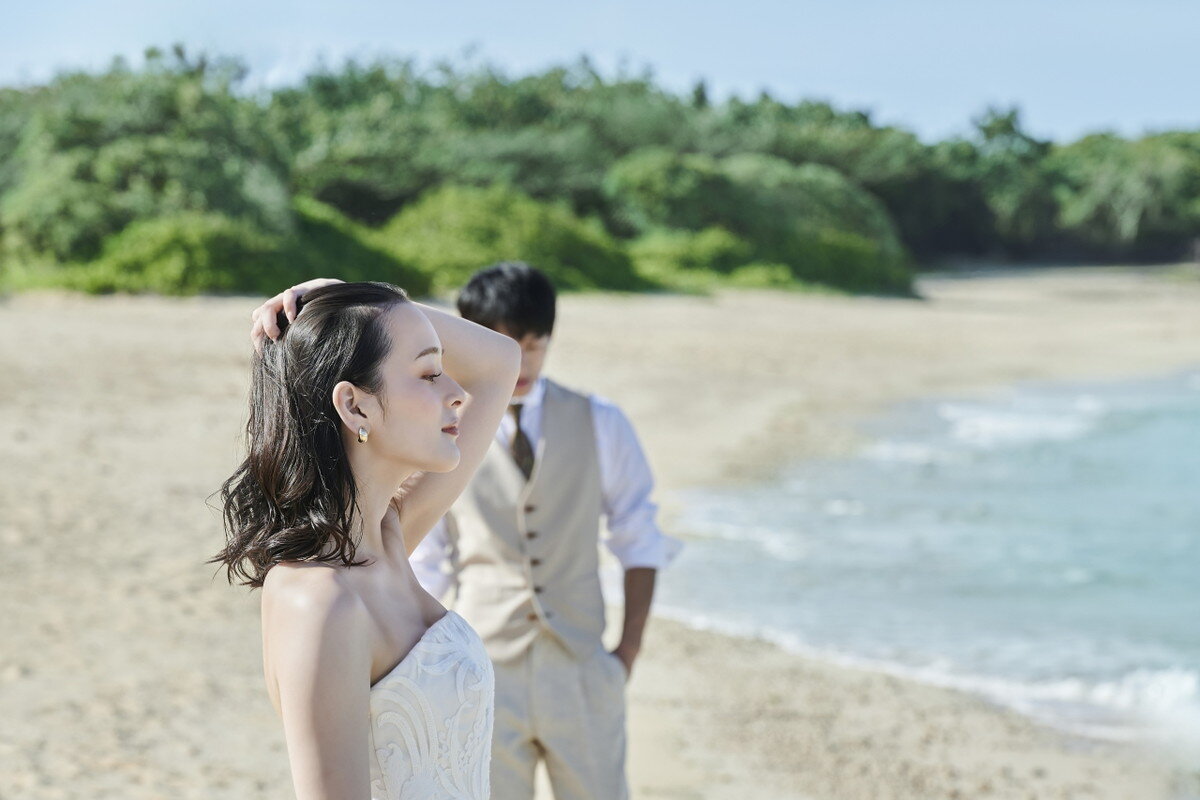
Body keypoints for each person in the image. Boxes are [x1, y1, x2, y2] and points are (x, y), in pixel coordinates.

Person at [215, 280, 520, 799]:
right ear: (355, 408)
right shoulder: (319, 599)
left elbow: (499, 363)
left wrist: (354, 296)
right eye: (429, 373)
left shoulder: (391, 535)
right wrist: (367, 309)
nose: (455, 392)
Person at [412, 263, 682, 800]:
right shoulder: (440, 433)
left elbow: (638, 536)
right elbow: (427, 561)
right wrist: (427, 668)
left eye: (535, 344)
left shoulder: (600, 420)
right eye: (507, 345)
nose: (524, 361)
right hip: (482, 669)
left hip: (581, 669)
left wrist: (625, 655)